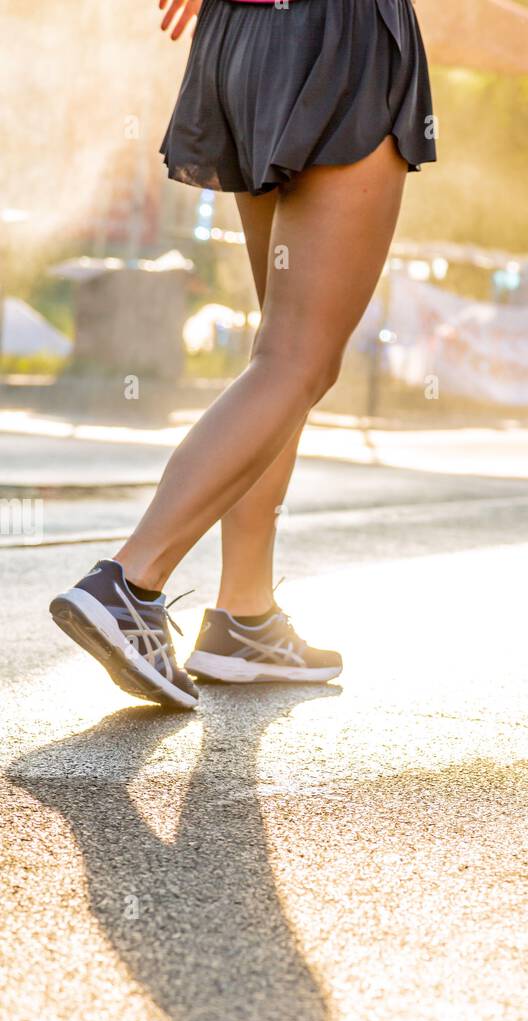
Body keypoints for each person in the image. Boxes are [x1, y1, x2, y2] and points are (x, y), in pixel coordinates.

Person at [50, 0, 436, 709]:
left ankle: (244, 617)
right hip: (339, 36)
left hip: (245, 36)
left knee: (280, 350)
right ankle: (131, 582)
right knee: (300, 359)